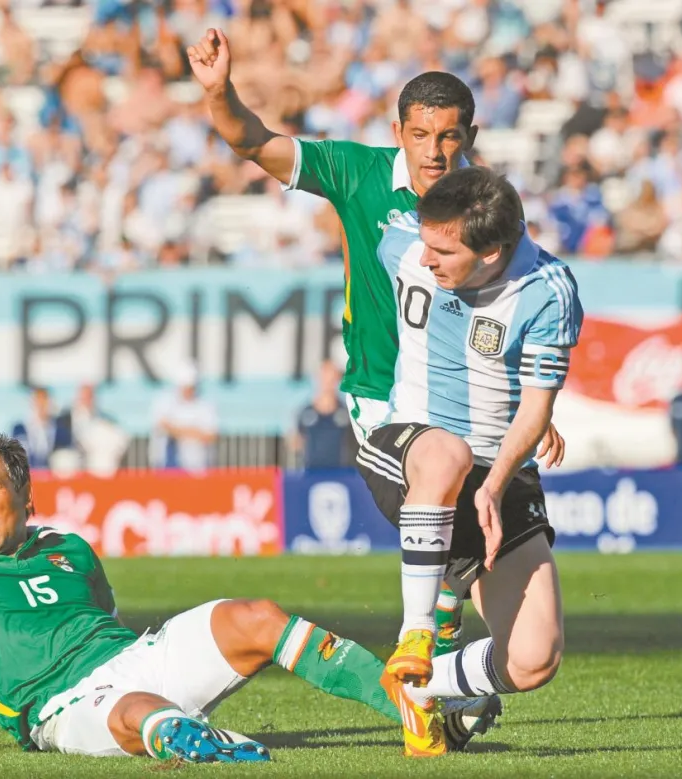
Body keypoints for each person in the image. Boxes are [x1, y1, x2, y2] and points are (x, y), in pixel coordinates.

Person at [187, 28, 562, 731]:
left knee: (533, 649)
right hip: (387, 405)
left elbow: (514, 311)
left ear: (470, 137)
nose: (434, 151)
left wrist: (533, 405)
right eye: (420, 135)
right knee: (443, 468)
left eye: (448, 136)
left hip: (477, 412)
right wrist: (219, 93)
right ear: (397, 133)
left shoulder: (488, 207)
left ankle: (432, 682)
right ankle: (428, 625)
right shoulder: (357, 174)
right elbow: (252, 140)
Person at [0, 429, 478, 763]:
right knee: (135, 709)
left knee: (255, 616)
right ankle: (192, 741)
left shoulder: (70, 549)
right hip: (61, 706)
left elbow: (107, 618)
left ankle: (415, 706)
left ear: (25, 494)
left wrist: (145, 657)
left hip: (139, 655)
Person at [361, 167, 583, 756]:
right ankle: (417, 635)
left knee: (534, 659)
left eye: (443, 252)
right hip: (408, 446)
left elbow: (536, 407)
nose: (424, 257)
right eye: (425, 243)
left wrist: (496, 485)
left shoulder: (546, 291)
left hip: (497, 471)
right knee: (447, 453)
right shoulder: (402, 238)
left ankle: (425, 686)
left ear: (490, 253)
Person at [291, 360, 352, 470]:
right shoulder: (306, 412)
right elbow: (296, 441)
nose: (328, 383)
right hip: (312, 472)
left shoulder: (346, 413)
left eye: (332, 379)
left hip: (341, 473)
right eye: (324, 378)